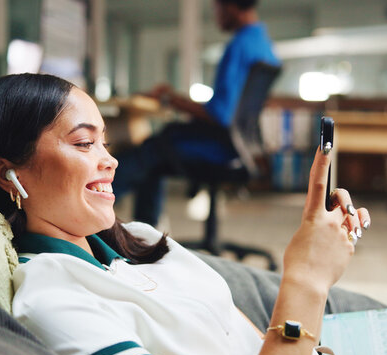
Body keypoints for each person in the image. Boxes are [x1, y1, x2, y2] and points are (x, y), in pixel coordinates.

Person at [0, 73, 371, 355]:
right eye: (84, 144)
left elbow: (255, 341)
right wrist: (306, 282)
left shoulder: (142, 239)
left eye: (104, 143)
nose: (110, 161)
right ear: (9, 174)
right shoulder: (53, 296)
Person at [111, 0, 281, 226]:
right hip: (239, 145)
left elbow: (221, 114)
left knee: (150, 151)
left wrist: (169, 99)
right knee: (156, 152)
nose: (216, 15)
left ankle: (85, 211)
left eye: (217, 9)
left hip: (219, 146)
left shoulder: (240, 46)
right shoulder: (263, 43)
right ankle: (144, 238)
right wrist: (175, 99)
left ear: (229, 6)